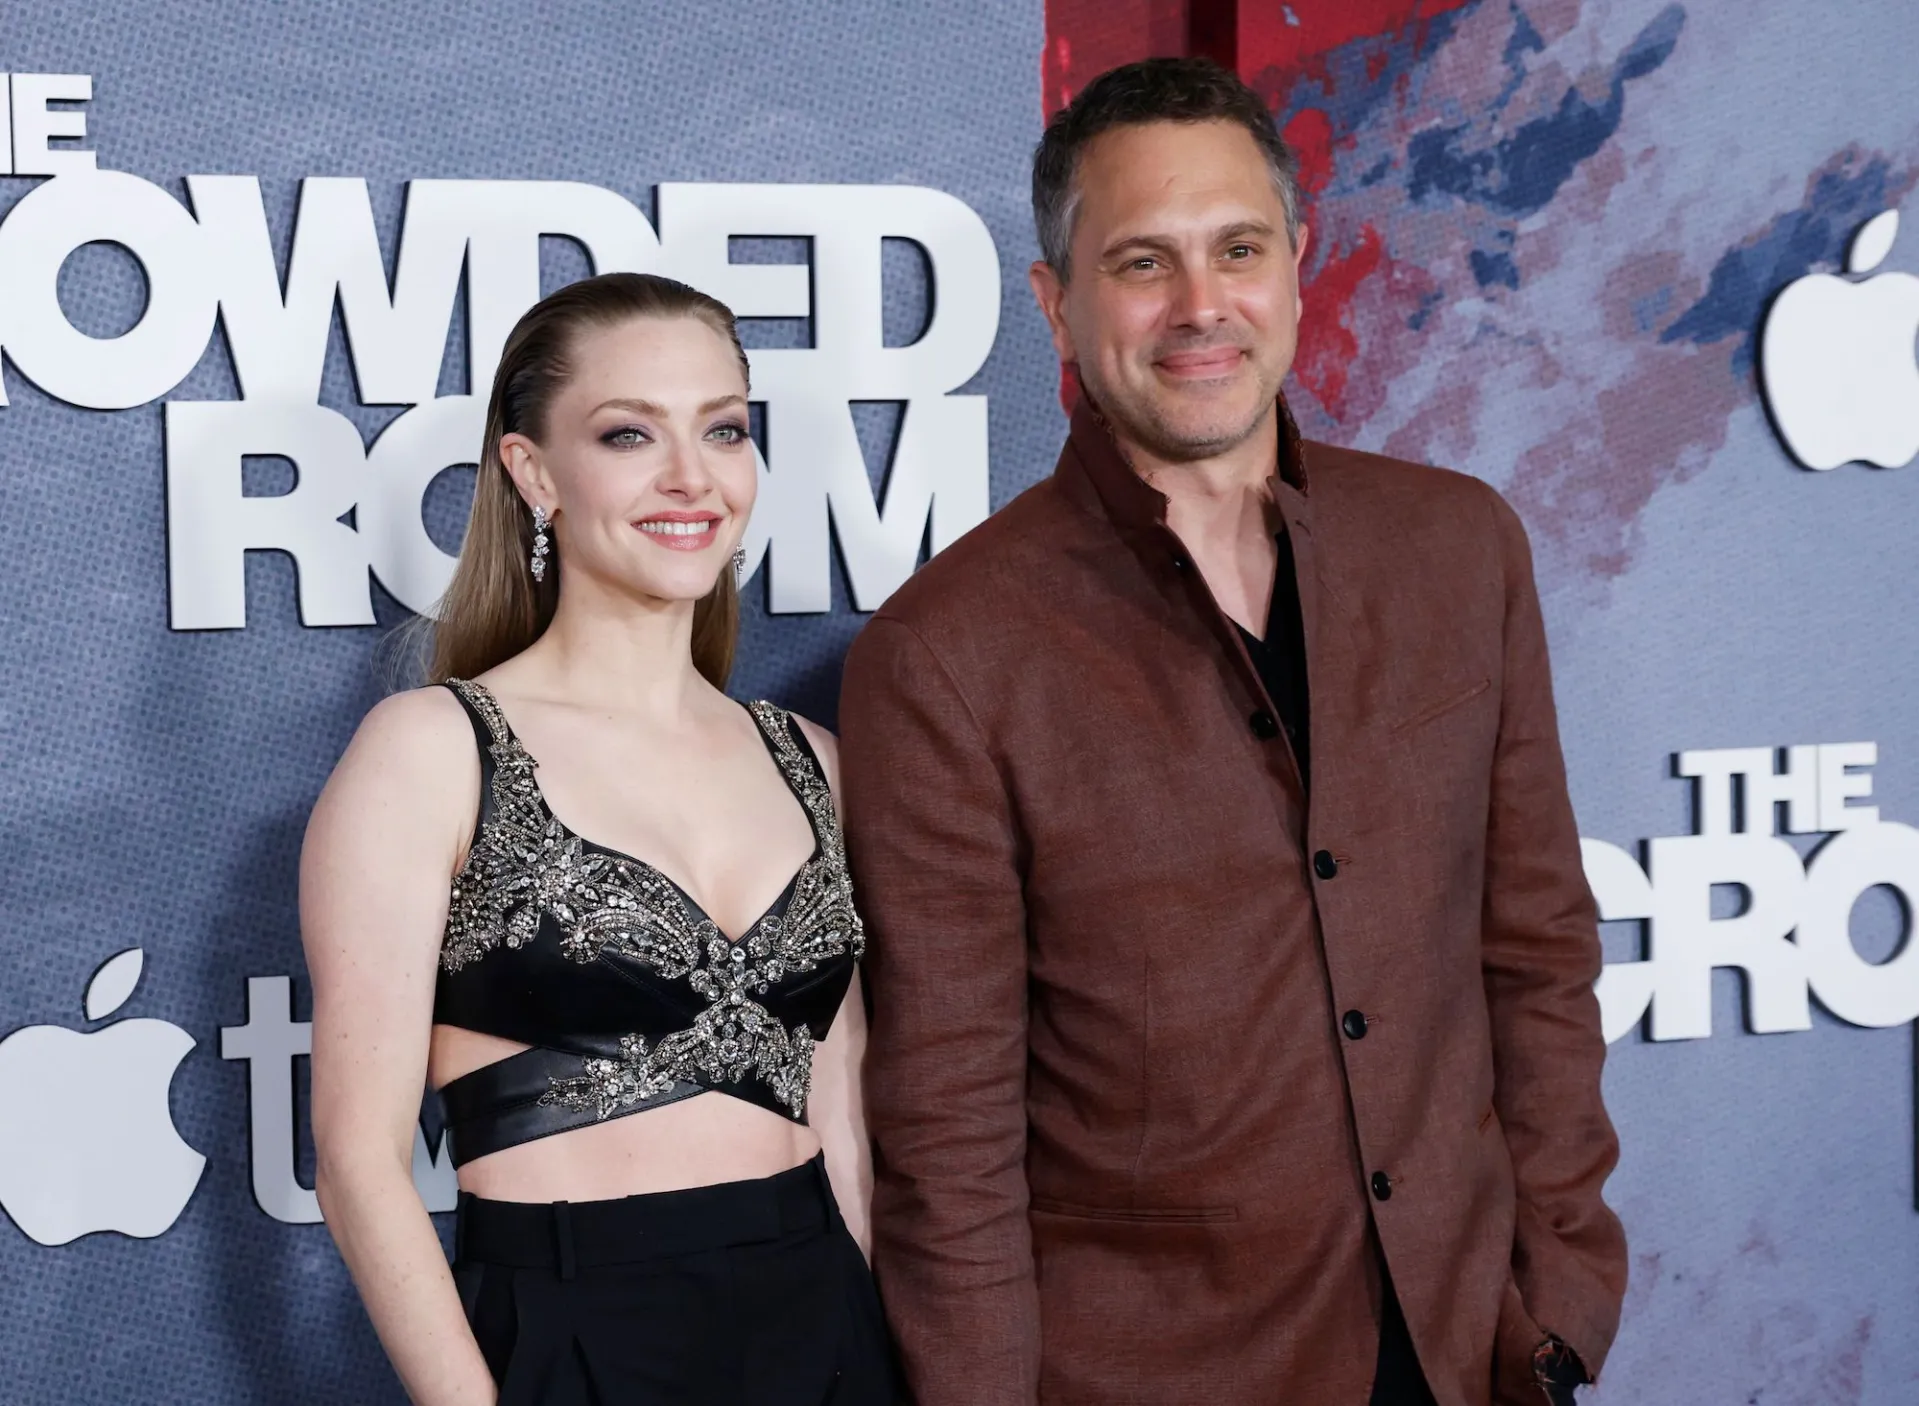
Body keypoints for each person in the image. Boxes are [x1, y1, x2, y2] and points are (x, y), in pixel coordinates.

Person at [838, 57, 1626, 1406]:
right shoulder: (945, 654)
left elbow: (1535, 942)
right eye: (1141, 261)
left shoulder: (1458, 546)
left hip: (1472, 1346)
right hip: (1148, 1373)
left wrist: (1556, 1296)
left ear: (1295, 264)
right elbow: (948, 1128)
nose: (1200, 306)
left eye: (1237, 249)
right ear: (1054, 303)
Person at [301, 273, 895, 1405]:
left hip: (826, 1326)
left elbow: (843, 1112)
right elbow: (358, 1162)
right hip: (573, 1333)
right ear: (534, 473)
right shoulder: (433, 752)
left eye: (723, 429)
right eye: (630, 434)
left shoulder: (809, 760)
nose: (691, 477)